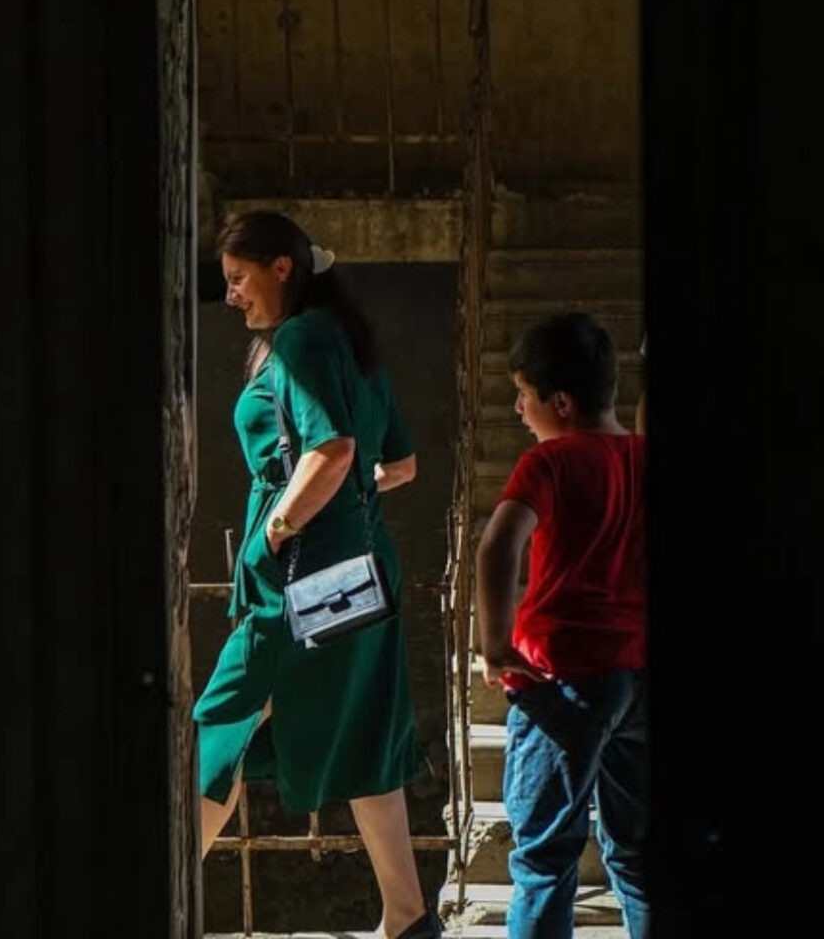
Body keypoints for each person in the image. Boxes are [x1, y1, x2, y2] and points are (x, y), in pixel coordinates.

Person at [193, 210, 442, 939]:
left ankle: (159, 899)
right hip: (360, 575)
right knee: (368, 735)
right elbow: (397, 465)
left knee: (220, 724)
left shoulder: (300, 340)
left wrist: (278, 526)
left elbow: (330, 451)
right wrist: (338, 502)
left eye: (239, 279)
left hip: (293, 585)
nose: (232, 295)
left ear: (282, 268)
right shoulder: (353, 344)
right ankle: (408, 916)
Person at [474, 312, 649, 939]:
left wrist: (495, 646)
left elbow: (497, 548)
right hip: (636, 676)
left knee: (545, 857)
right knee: (636, 856)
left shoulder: (549, 464)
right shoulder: (638, 457)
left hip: (562, 679)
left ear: (562, 403)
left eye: (523, 397)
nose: (519, 411)